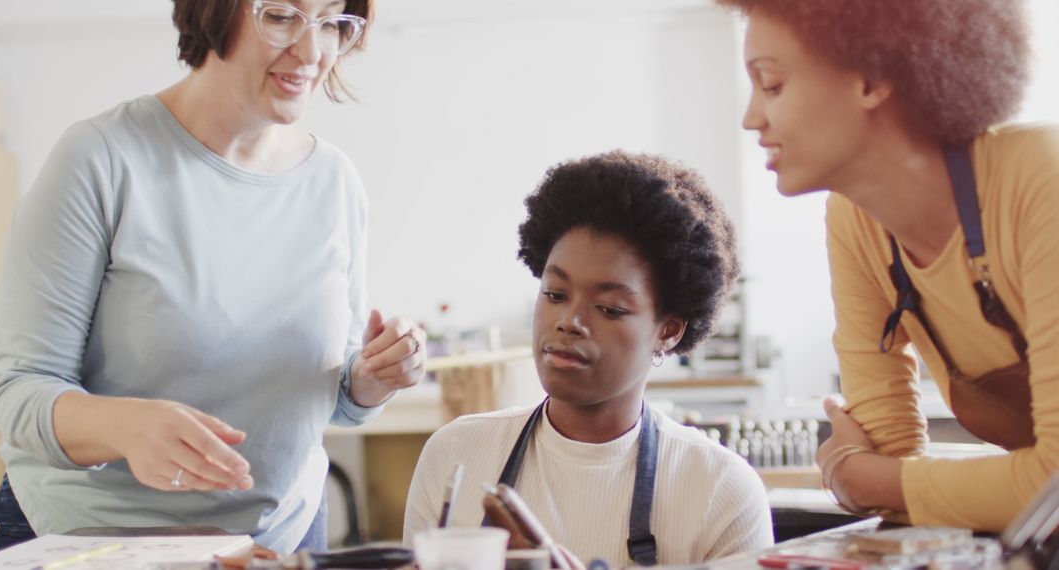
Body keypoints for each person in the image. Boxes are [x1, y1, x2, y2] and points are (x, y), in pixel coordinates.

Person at [0, 0, 427, 554]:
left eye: (333, 22)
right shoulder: (101, 160)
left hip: (276, 540)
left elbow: (333, 393)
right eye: (283, 15)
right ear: (214, 12)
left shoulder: (333, 181)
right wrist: (121, 426)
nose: (313, 51)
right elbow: (14, 389)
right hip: (88, 539)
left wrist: (371, 378)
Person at [717, 0, 1058, 531]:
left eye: (772, 85)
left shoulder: (1043, 179)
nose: (751, 118)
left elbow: (1051, 483)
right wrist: (874, 478)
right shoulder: (856, 221)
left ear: (872, 78)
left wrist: (856, 476)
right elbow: (895, 475)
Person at [402, 151, 773, 567]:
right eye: (555, 295)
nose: (568, 322)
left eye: (610, 308)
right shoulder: (456, 454)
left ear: (667, 330)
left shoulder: (720, 489)